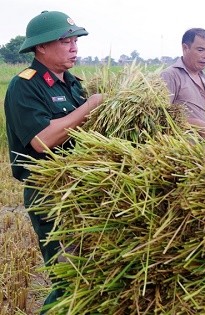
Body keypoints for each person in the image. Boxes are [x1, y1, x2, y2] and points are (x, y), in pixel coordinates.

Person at [3, 10, 104, 313]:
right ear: (41, 47)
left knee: (93, 277)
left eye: (75, 40)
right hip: (50, 194)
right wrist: (88, 108)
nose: (74, 46)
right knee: (69, 280)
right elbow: (42, 140)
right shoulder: (25, 86)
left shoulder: (75, 84)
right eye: (65, 40)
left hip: (84, 190)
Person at [161, 28, 205, 139]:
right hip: (184, 151)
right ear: (185, 48)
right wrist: (195, 124)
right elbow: (160, 117)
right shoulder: (170, 76)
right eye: (200, 50)